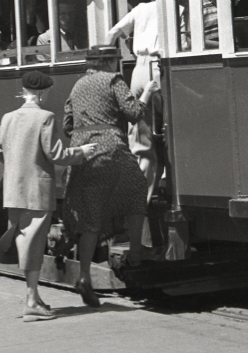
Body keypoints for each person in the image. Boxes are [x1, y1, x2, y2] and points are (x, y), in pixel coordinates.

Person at [0, 70, 97, 322]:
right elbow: (56, 154)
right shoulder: (45, 117)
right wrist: (82, 152)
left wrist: (17, 165)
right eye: (47, 91)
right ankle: (31, 300)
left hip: (14, 190)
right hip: (36, 191)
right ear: (40, 93)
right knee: (33, 245)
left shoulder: (8, 118)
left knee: (24, 242)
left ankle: (34, 297)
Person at [60, 46, 159, 307]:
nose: (119, 63)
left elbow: (67, 125)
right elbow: (134, 113)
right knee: (137, 186)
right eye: (116, 59)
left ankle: (83, 277)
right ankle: (136, 252)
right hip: (109, 147)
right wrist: (147, 92)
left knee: (91, 215)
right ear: (107, 61)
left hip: (82, 152)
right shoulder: (113, 80)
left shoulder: (77, 85)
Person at [105, 1, 162, 201]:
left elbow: (112, 33)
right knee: (167, 132)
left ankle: (138, 201)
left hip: (139, 69)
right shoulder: (179, 6)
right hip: (160, 67)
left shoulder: (142, 8)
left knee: (140, 138)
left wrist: (108, 72)